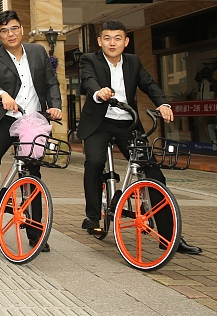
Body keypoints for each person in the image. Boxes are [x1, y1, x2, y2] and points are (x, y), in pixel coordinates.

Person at [78, 20, 202, 255]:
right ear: (99, 41)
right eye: (106, 38)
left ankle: (170, 238)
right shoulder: (89, 59)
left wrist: (163, 103)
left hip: (128, 123)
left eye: (117, 38)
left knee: (153, 172)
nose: (112, 42)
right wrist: (98, 92)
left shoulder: (133, 61)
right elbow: (89, 80)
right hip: (99, 124)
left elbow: (149, 84)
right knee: (94, 162)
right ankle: (93, 216)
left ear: (125, 42)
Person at [0, 10, 62, 253]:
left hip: (33, 120)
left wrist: (56, 107)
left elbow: (51, 82)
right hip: (4, 118)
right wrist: (3, 95)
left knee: (32, 174)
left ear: (21, 29)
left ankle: (35, 233)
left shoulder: (38, 52)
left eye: (14, 28)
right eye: (4, 30)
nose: (10, 34)